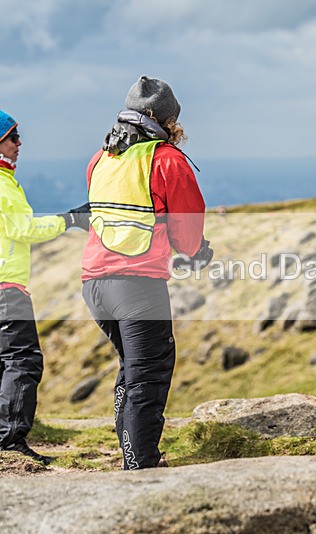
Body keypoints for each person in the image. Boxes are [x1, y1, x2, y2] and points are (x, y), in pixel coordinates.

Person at [81, 76, 212, 469]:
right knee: (149, 375)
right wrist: (197, 252)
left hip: (95, 284)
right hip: (137, 287)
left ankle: (131, 457)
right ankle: (140, 466)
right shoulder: (167, 160)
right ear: (169, 119)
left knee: (133, 369)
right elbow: (187, 234)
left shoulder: (101, 158)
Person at [0, 110, 90, 464]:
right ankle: (10, 443)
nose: (19, 143)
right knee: (22, 360)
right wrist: (69, 220)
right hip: (7, 287)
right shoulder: (2, 184)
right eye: (12, 137)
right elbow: (24, 230)